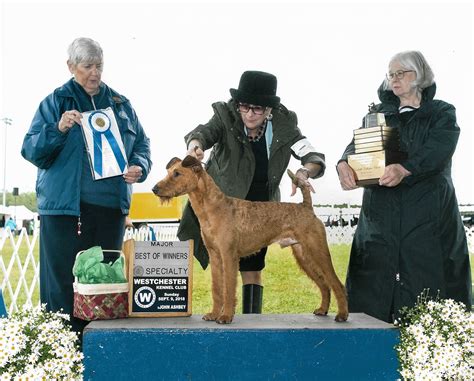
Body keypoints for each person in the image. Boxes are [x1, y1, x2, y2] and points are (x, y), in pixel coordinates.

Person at [21, 37, 152, 338]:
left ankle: (99, 357)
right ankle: (62, 356)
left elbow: (142, 144)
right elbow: (31, 150)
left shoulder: (121, 104)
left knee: (104, 288)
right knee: (62, 293)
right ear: (71, 67)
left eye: (99, 66)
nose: (94, 73)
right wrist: (58, 128)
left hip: (109, 211)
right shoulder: (54, 103)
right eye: (87, 66)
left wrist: (139, 166)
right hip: (64, 211)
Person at [336, 50, 472, 323]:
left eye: (401, 73)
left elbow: (439, 149)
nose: (394, 79)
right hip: (380, 217)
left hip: (426, 214)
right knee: (373, 293)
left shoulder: (441, 113)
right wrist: (344, 164)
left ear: (419, 75)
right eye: (391, 74)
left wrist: (405, 169)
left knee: (430, 289)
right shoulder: (375, 114)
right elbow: (357, 147)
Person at [178, 70, 326, 314]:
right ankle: (222, 313)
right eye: (244, 107)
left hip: (261, 208)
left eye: (257, 109)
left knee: (253, 269)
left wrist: (305, 172)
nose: (248, 114)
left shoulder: (284, 123)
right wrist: (195, 147)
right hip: (223, 206)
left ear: (269, 110)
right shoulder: (225, 115)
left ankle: (251, 323)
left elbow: (312, 155)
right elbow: (203, 133)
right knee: (221, 263)